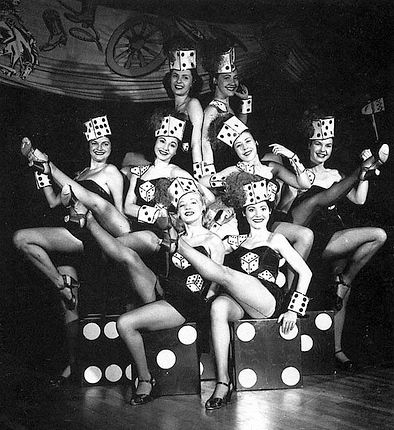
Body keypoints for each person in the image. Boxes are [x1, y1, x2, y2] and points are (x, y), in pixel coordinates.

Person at [172, 172, 312, 410]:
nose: (257, 214)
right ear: (244, 213)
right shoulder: (234, 242)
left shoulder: (276, 239)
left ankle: (177, 245)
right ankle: (223, 382)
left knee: (225, 275)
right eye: (251, 209)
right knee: (218, 307)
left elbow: (305, 273)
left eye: (262, 208)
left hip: (267, 300)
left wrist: (293, 311)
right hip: (241, 302)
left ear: (269, 210)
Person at [83, 180, 225, 406]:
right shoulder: (174, 235)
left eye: (193, 203)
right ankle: (88, 221)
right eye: (182, 204)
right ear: (177, 211)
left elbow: (217, 281)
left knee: (125, 323)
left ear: (202, 208)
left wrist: (204, 308)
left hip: (184, 304)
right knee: (129, 257)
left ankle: (146, 380)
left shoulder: (213, 241)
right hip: (164, 291)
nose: (188, 207)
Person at [13, 114, 124, 385]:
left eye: (105, 143)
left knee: (21, 238)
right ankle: (73, 366)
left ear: (111, 145)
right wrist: (46, 181)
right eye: (95, 142)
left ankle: (61, 284)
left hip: (89, 236)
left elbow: (118, 212)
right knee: (69, 308)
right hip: (69, 232)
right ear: (87, 145)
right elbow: (54, 204)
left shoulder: (110, 172)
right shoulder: (79, 175)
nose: (100, 147)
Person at [286, 114, 389, 370]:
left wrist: (363, 176)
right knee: (378, 234)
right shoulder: (298, 175)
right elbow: (288, 209)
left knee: (341, 286)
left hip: (336, 233)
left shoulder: (334, 173)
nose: (323, 150)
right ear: (308, 145)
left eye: (328, 145)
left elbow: (359, 199)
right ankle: (344, 281)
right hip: (312, 239)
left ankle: (338, 350)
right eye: (318, 144)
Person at [200, 114, 314, 290]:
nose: (245, 148)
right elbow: (203, 181)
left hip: (271, 221)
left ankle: (290, 293)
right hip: (247, 226)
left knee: (305, 235)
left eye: (247, 141)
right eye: (239, 145)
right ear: (235, 151)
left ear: (255, 142)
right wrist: (230, 176)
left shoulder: (271, 167)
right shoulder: (234, 170)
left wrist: (291, 156)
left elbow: (304, 184)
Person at [201, 45, 251, 173]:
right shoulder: (212, 110)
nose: (233, 83)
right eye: (226, 78)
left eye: (235, 78)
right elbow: (205, 144)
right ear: (215, 80)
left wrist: (245, 101)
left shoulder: (226, 106)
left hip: (239, 158)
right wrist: (210, 178)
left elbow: (239, 129)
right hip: (226, 167)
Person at [162, 45, 204, 177]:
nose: (179, 81)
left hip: (186, 167)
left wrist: (199, 177)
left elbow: (196, 143)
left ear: (192, 82)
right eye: (175, 76)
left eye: (185, 77)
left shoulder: (193, 104)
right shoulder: (170, 109)